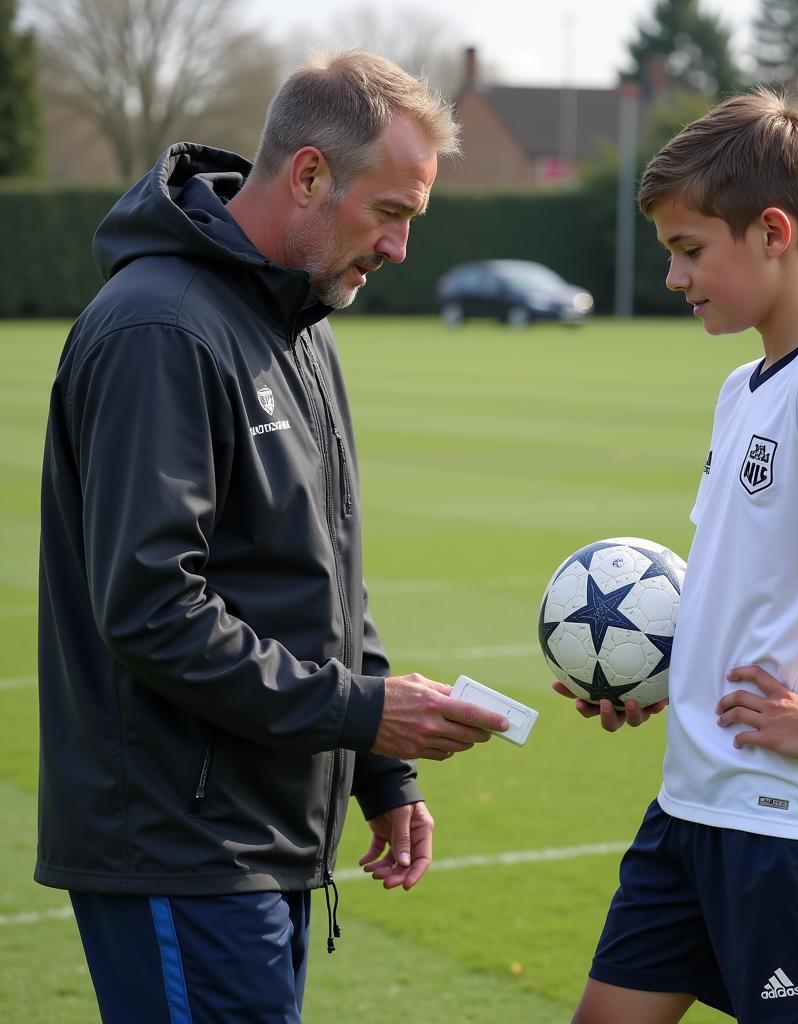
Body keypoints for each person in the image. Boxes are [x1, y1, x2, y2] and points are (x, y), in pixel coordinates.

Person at [36, 50, 510, 1024]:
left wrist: (381, 769)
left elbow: (326, 574)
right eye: (392, 213)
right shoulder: (158, 330)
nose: (401, 250)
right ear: (308, 176)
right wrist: (358, 713)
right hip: (180, 844)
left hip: (262, 840)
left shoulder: (300, 326)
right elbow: (153, 608)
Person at [555, 87, 798, 1024]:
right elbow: (744, 579)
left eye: (690, 251)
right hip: (691, 802)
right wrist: (659, 678)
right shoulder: (744, 388)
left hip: (785, 816)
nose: (677, 278)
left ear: (772, 230)